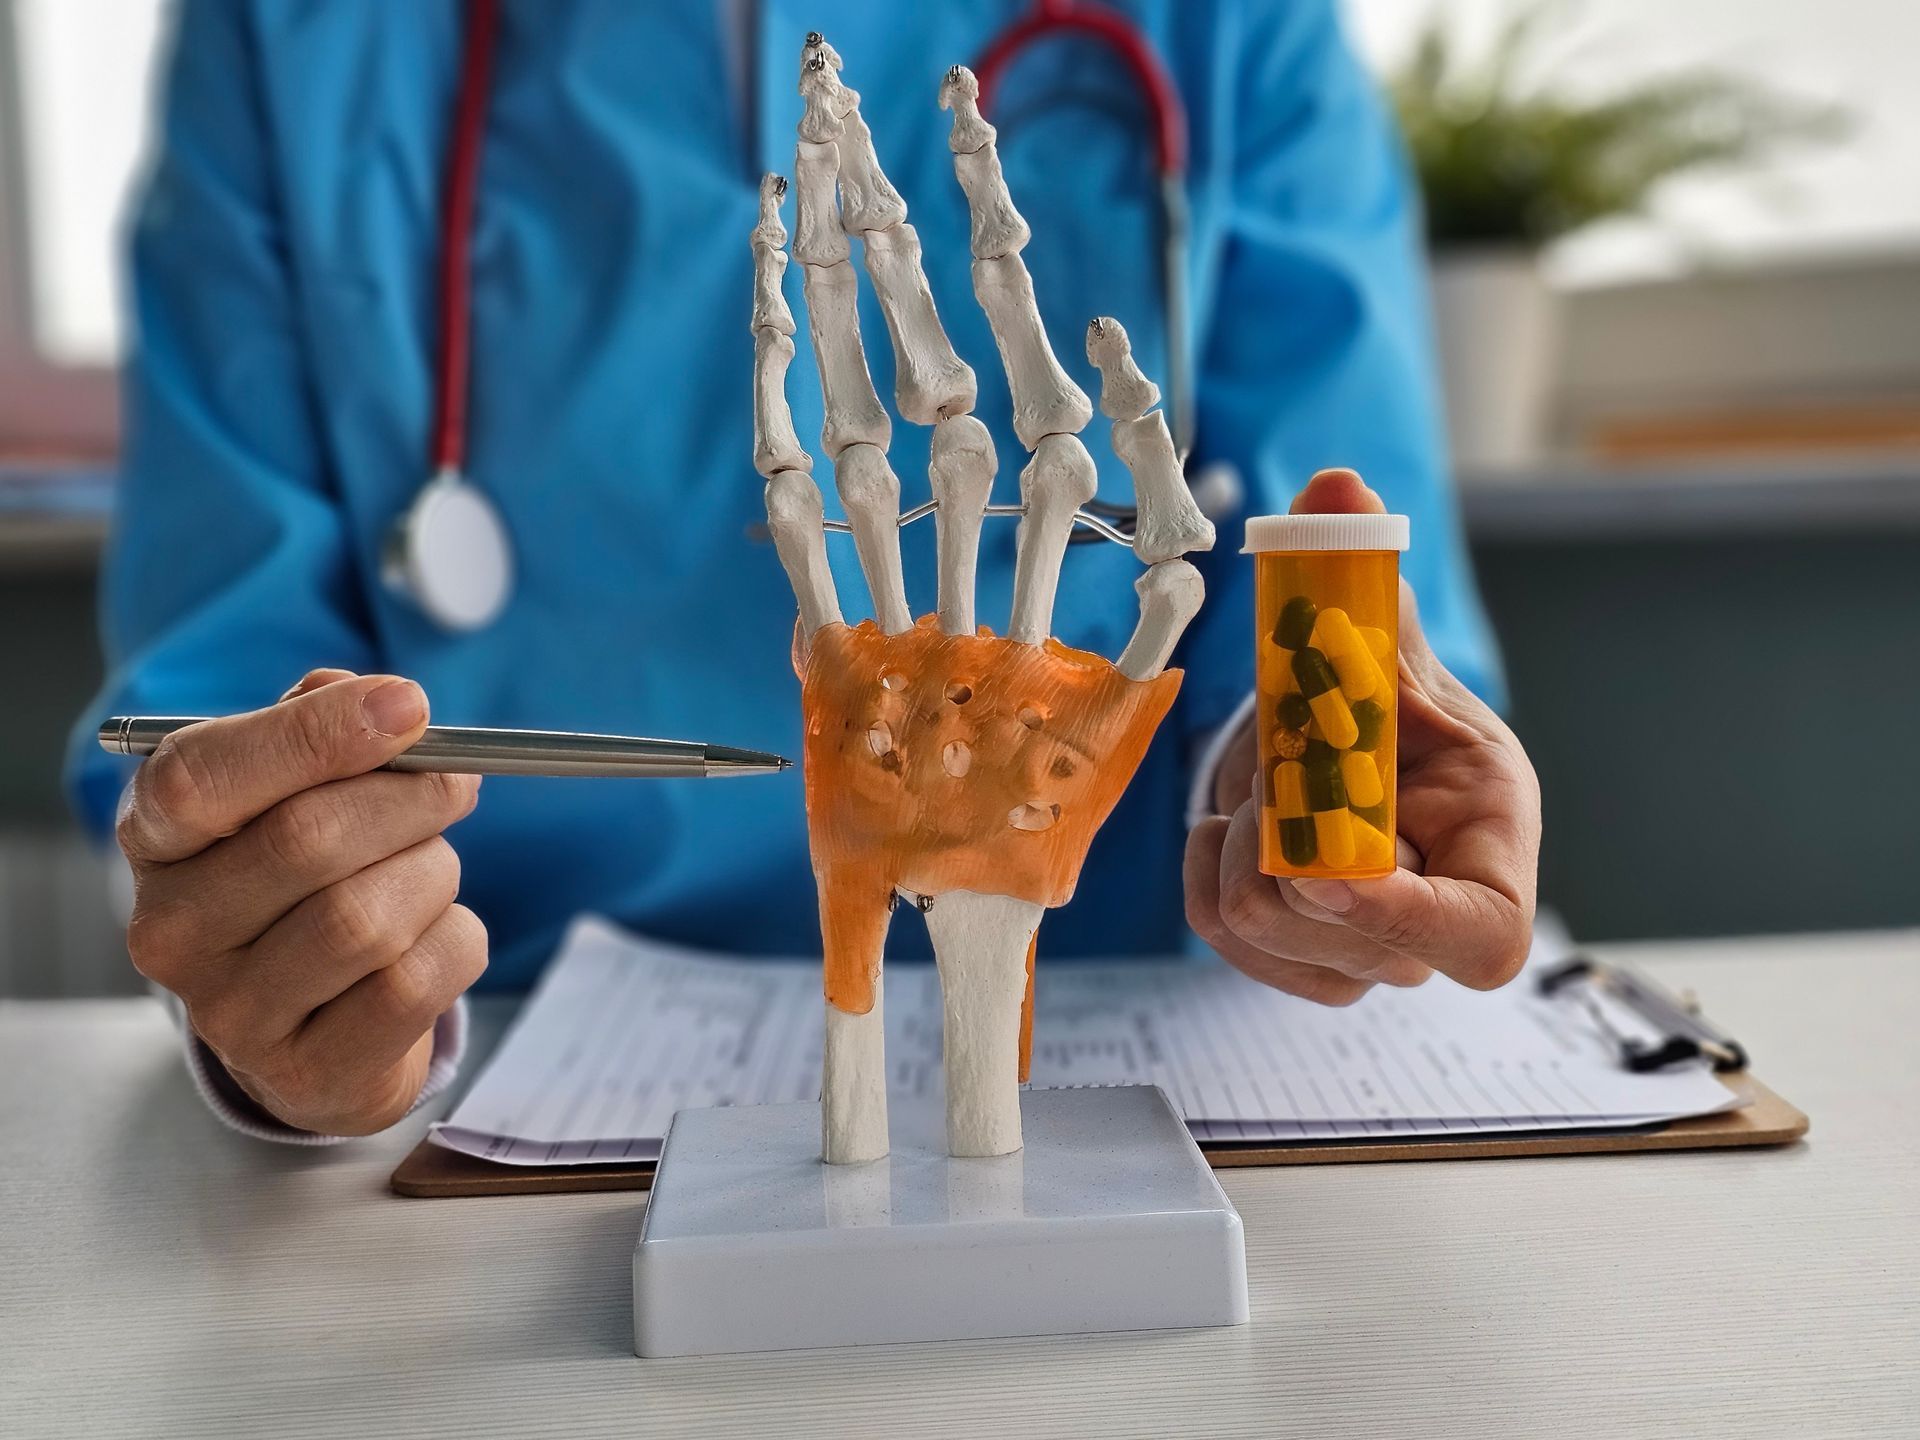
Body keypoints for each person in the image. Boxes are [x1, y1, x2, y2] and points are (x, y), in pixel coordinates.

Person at [68, 2, 1538, 1141]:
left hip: (1165, 1058)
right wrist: (291, 950)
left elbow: (1334, 537)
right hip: (474, 1100)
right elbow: (227, 679)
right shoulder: (293, 36)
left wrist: (1300, 773)